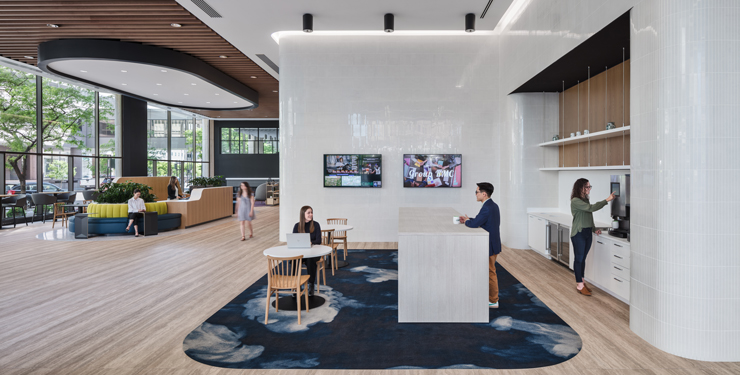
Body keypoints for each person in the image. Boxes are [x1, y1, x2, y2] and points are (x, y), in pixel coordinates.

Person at [460, 182, 502, 308]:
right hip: (493, 243)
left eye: (476, 192)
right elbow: (482, 221)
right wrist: (469, 220)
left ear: (484, 194)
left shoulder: (487, 207)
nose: (475, 194)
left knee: (490, 272)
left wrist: (468, 221)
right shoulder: (492, 205)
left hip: (490, 245)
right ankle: (490, 297)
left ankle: (493, 300)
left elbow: (474, 224)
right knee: (489, 271)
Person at [570, 178, 615, 296]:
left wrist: (594, 228)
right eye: (587, 187)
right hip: (578, 233)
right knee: (579, 259)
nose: (589, 189)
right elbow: (591, 209)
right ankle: (579, 284)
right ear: (581, 188)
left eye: (590, 186)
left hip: (587, 232)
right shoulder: (575, 201)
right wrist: (607, 200)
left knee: (583, 259)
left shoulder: (585, 200)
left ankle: (582, 282)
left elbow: (589, 216)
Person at [292, 205, 321, 296]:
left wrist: (310, 242)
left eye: (311, 212)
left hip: (313, 252)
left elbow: (319, 241)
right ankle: (295, 285)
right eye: (308, 213)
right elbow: (293, 240)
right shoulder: (297, 226)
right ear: (303, 214)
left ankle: (311, 284)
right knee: (294, 259)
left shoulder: (316, 225)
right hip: (301, 252)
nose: (311, 214)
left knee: (310, 259)